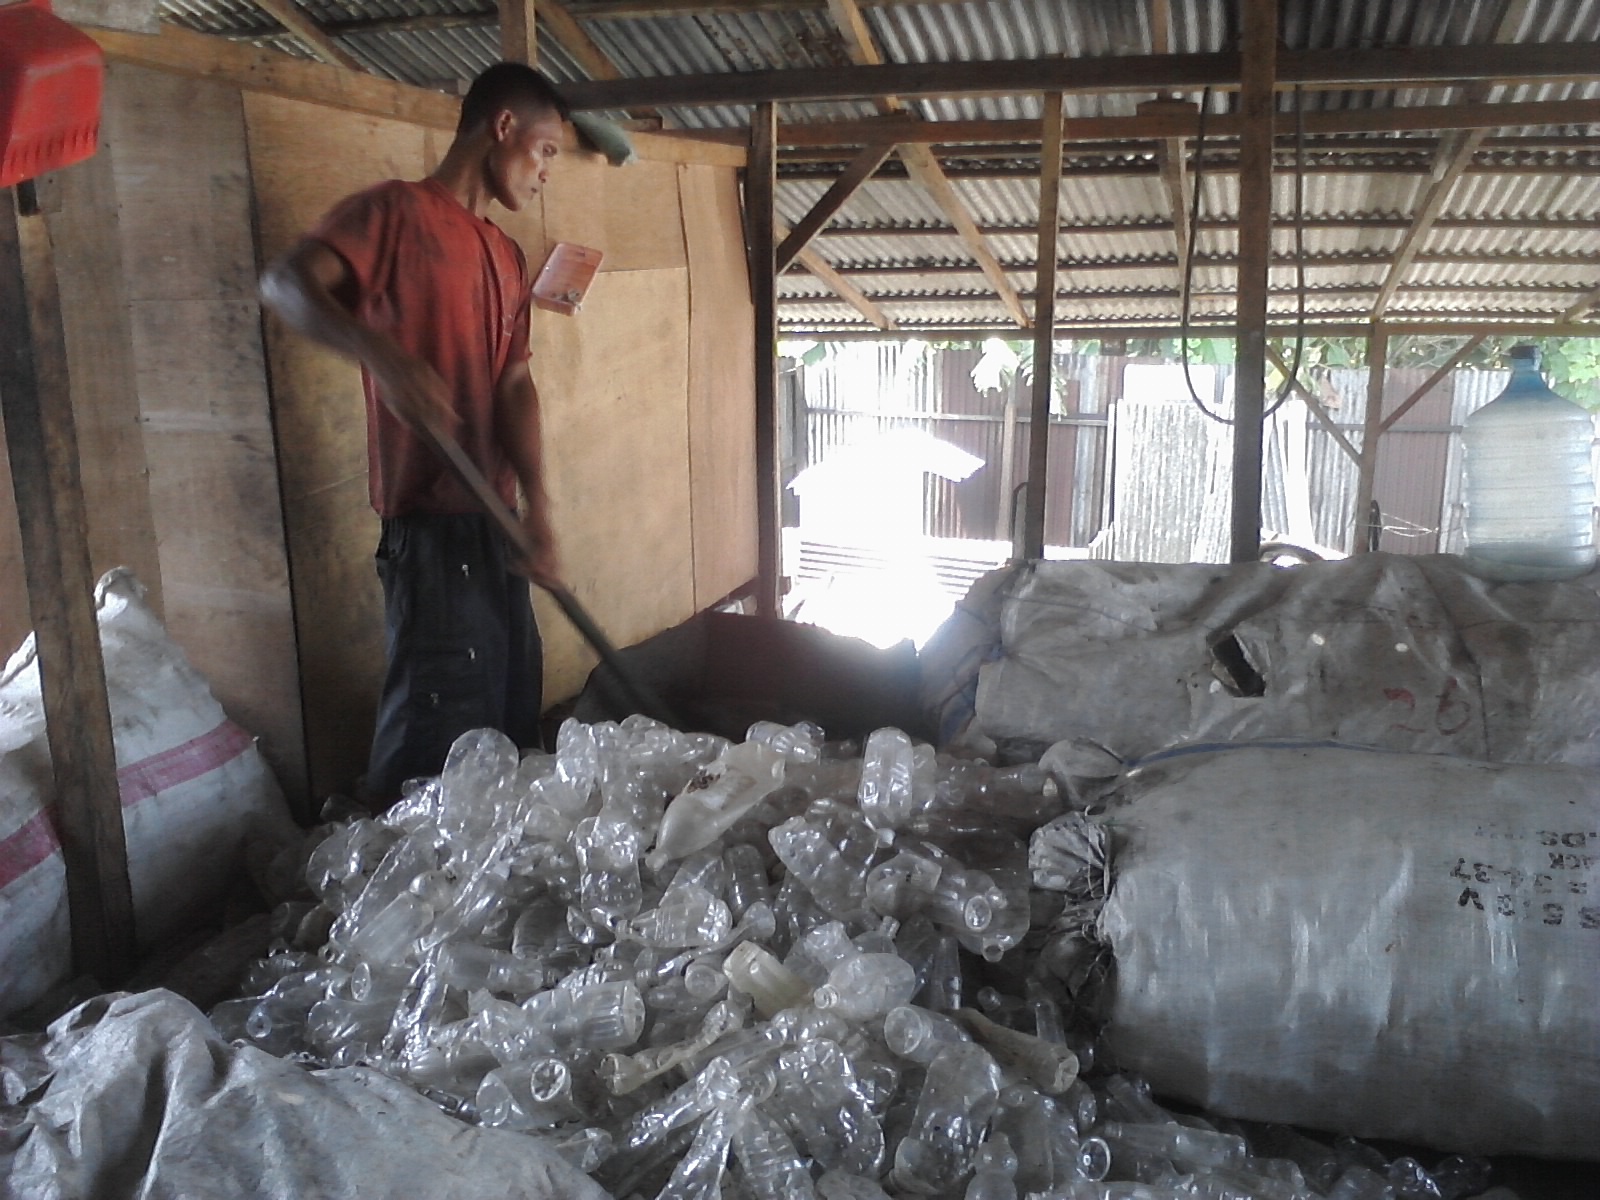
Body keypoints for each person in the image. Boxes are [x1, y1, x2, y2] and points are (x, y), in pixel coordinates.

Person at [260, 63, 567, 805]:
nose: (545, 172)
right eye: (545, 150)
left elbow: (514, 385)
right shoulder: (396, 213)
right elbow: (285, 283)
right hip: (430, 534)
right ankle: (385, 866)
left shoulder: (505, 254)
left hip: (498, 527)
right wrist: (381, 354)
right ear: (502, 128)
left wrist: (540, 508)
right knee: (432, 754)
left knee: (509, 728)